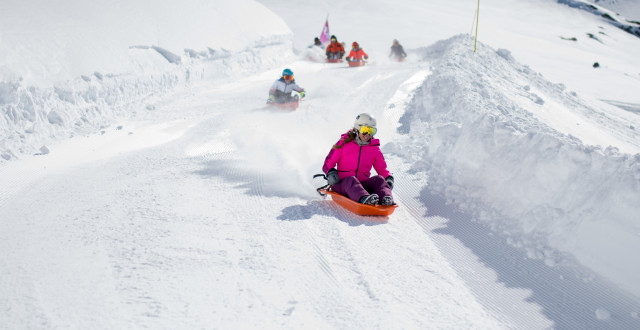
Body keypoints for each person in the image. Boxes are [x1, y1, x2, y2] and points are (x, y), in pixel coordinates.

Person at [322, 113, 395, 205]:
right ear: (357, 129)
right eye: (365, 130)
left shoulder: (374, 148)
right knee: (351, 180)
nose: (367, 134)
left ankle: (386, 199)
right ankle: (364, 198)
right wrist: (331, 172)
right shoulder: (343, 143)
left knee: (379, 179)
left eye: (371, 131)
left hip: (362, 185)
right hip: (342, 184)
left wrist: (388, 178)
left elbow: (382, 169)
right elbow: (328, 162)